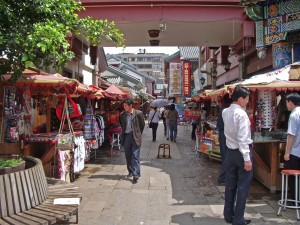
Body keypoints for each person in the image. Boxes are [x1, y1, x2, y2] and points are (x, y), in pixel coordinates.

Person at [222, 86, 253, 225]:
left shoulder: (225, 112)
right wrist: (247, 158)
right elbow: (243, 138)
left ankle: (228, 215)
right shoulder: (241, 114)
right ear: (240, 98)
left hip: (230, 152)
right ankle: (238, 218)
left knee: (230, 185)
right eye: (246, 99)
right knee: (242, 187)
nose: (247, 102)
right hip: (241, 153)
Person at [120, 98, 145, 184]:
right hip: (126, 137)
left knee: (135, 155)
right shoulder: (122, 115)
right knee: (128, 155)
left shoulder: (138, 113)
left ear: (131, 106)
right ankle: (130, 171)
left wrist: (138, 134)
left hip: (135, 137)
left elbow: (142, 125)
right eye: (123, 105)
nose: (124, 107)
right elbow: (122, 125)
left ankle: (136, 174)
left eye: (126, 106)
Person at [284, 93, 300, 202]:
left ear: (290, 102)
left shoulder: (294, 115)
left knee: (293, 178)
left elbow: (291, 135)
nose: (286, 105)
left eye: (286, 102)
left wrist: (287, 152)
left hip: (295, 151)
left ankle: (296, 199)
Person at [217, 93, 233, 184]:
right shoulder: (226, 110)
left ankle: (224, 176)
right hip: (224, 133)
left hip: (222, 133)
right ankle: (223, 177)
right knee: (226, 156)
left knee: (225, 156)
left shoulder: (223, 109)